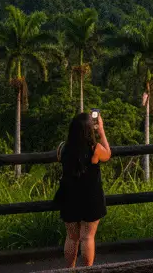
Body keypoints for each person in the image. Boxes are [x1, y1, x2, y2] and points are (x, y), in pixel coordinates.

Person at [56, 111, 112, 268]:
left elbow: (63, 159)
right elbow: (108, 154)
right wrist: (101, 130)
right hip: (90, 197)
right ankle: (87, 271)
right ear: (89, 130)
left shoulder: (63, 148)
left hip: (69, 196)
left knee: (72, 237)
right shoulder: (95, 149)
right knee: (87, 237)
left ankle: (69, 270)